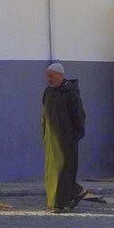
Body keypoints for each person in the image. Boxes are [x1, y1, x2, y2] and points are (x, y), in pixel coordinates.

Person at [41, 62, 86, 212]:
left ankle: (62, 202)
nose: (49, 79)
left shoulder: (70, 93)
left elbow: (78, 115)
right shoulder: (48, 92)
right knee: (52, 172)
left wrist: (75, 135)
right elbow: (44, 116)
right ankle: (58, 199)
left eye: (51, 76)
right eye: (47, 76)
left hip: (66, 140)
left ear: (60, 76)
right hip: (51, 140)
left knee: (63, 171)